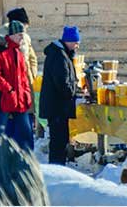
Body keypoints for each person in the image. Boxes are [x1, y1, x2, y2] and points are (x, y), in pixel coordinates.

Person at [0, 7, 38, 139]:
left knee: (21, 130)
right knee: (4, 129)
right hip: (4, 91)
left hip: (21, 90)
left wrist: (28, 77)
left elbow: (32, 59)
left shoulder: (24, 39)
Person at [0, 20, 34, 150]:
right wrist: (9, 90)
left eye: (22, 35)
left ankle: (27, 161)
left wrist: (26, 94)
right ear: (11, 35)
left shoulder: (19, 52)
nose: (22, 38)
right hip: (2, 99)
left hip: (20, 100)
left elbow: (23, 78)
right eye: (19, 35)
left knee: (26, 133)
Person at [40, 26, 81, 164]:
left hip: (57, 107)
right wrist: (73, 91)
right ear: (68, 41)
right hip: (57, 107)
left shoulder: (61, 54)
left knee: (59, 140)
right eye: (75, 42)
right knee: (59, 142)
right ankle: (57, 169)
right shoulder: (59, 56)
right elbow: (63, 83)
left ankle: (57, 167)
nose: (77, 46)